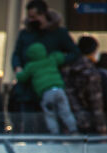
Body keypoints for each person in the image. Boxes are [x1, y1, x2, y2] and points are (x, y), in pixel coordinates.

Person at [10, 0, 80, 133]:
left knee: (53, 118)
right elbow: (16, 55)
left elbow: (74, 53)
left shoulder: (59, 33)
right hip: (29, 90)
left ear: (43, 15)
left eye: (34, 17)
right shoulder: (26, 34)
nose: (31, 20)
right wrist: (18, 67)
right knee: (30, 125)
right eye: (29, 17)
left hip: (50, 87)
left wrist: (57, 61)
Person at [16, 43, 77, 134]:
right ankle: (73, 129)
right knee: (66, 111)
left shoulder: (31, 66)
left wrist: (18, 71)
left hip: (47, 93)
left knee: (50, 115)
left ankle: (54, 133)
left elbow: (22, 77)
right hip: (59, 90)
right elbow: (61, 57)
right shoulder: (51, 59)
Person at [64, 36, 107, 135]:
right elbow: (95, 101)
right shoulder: (89, 71)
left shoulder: (67, 68)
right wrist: (102, 129)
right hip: (87, 122)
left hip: (67, 120)